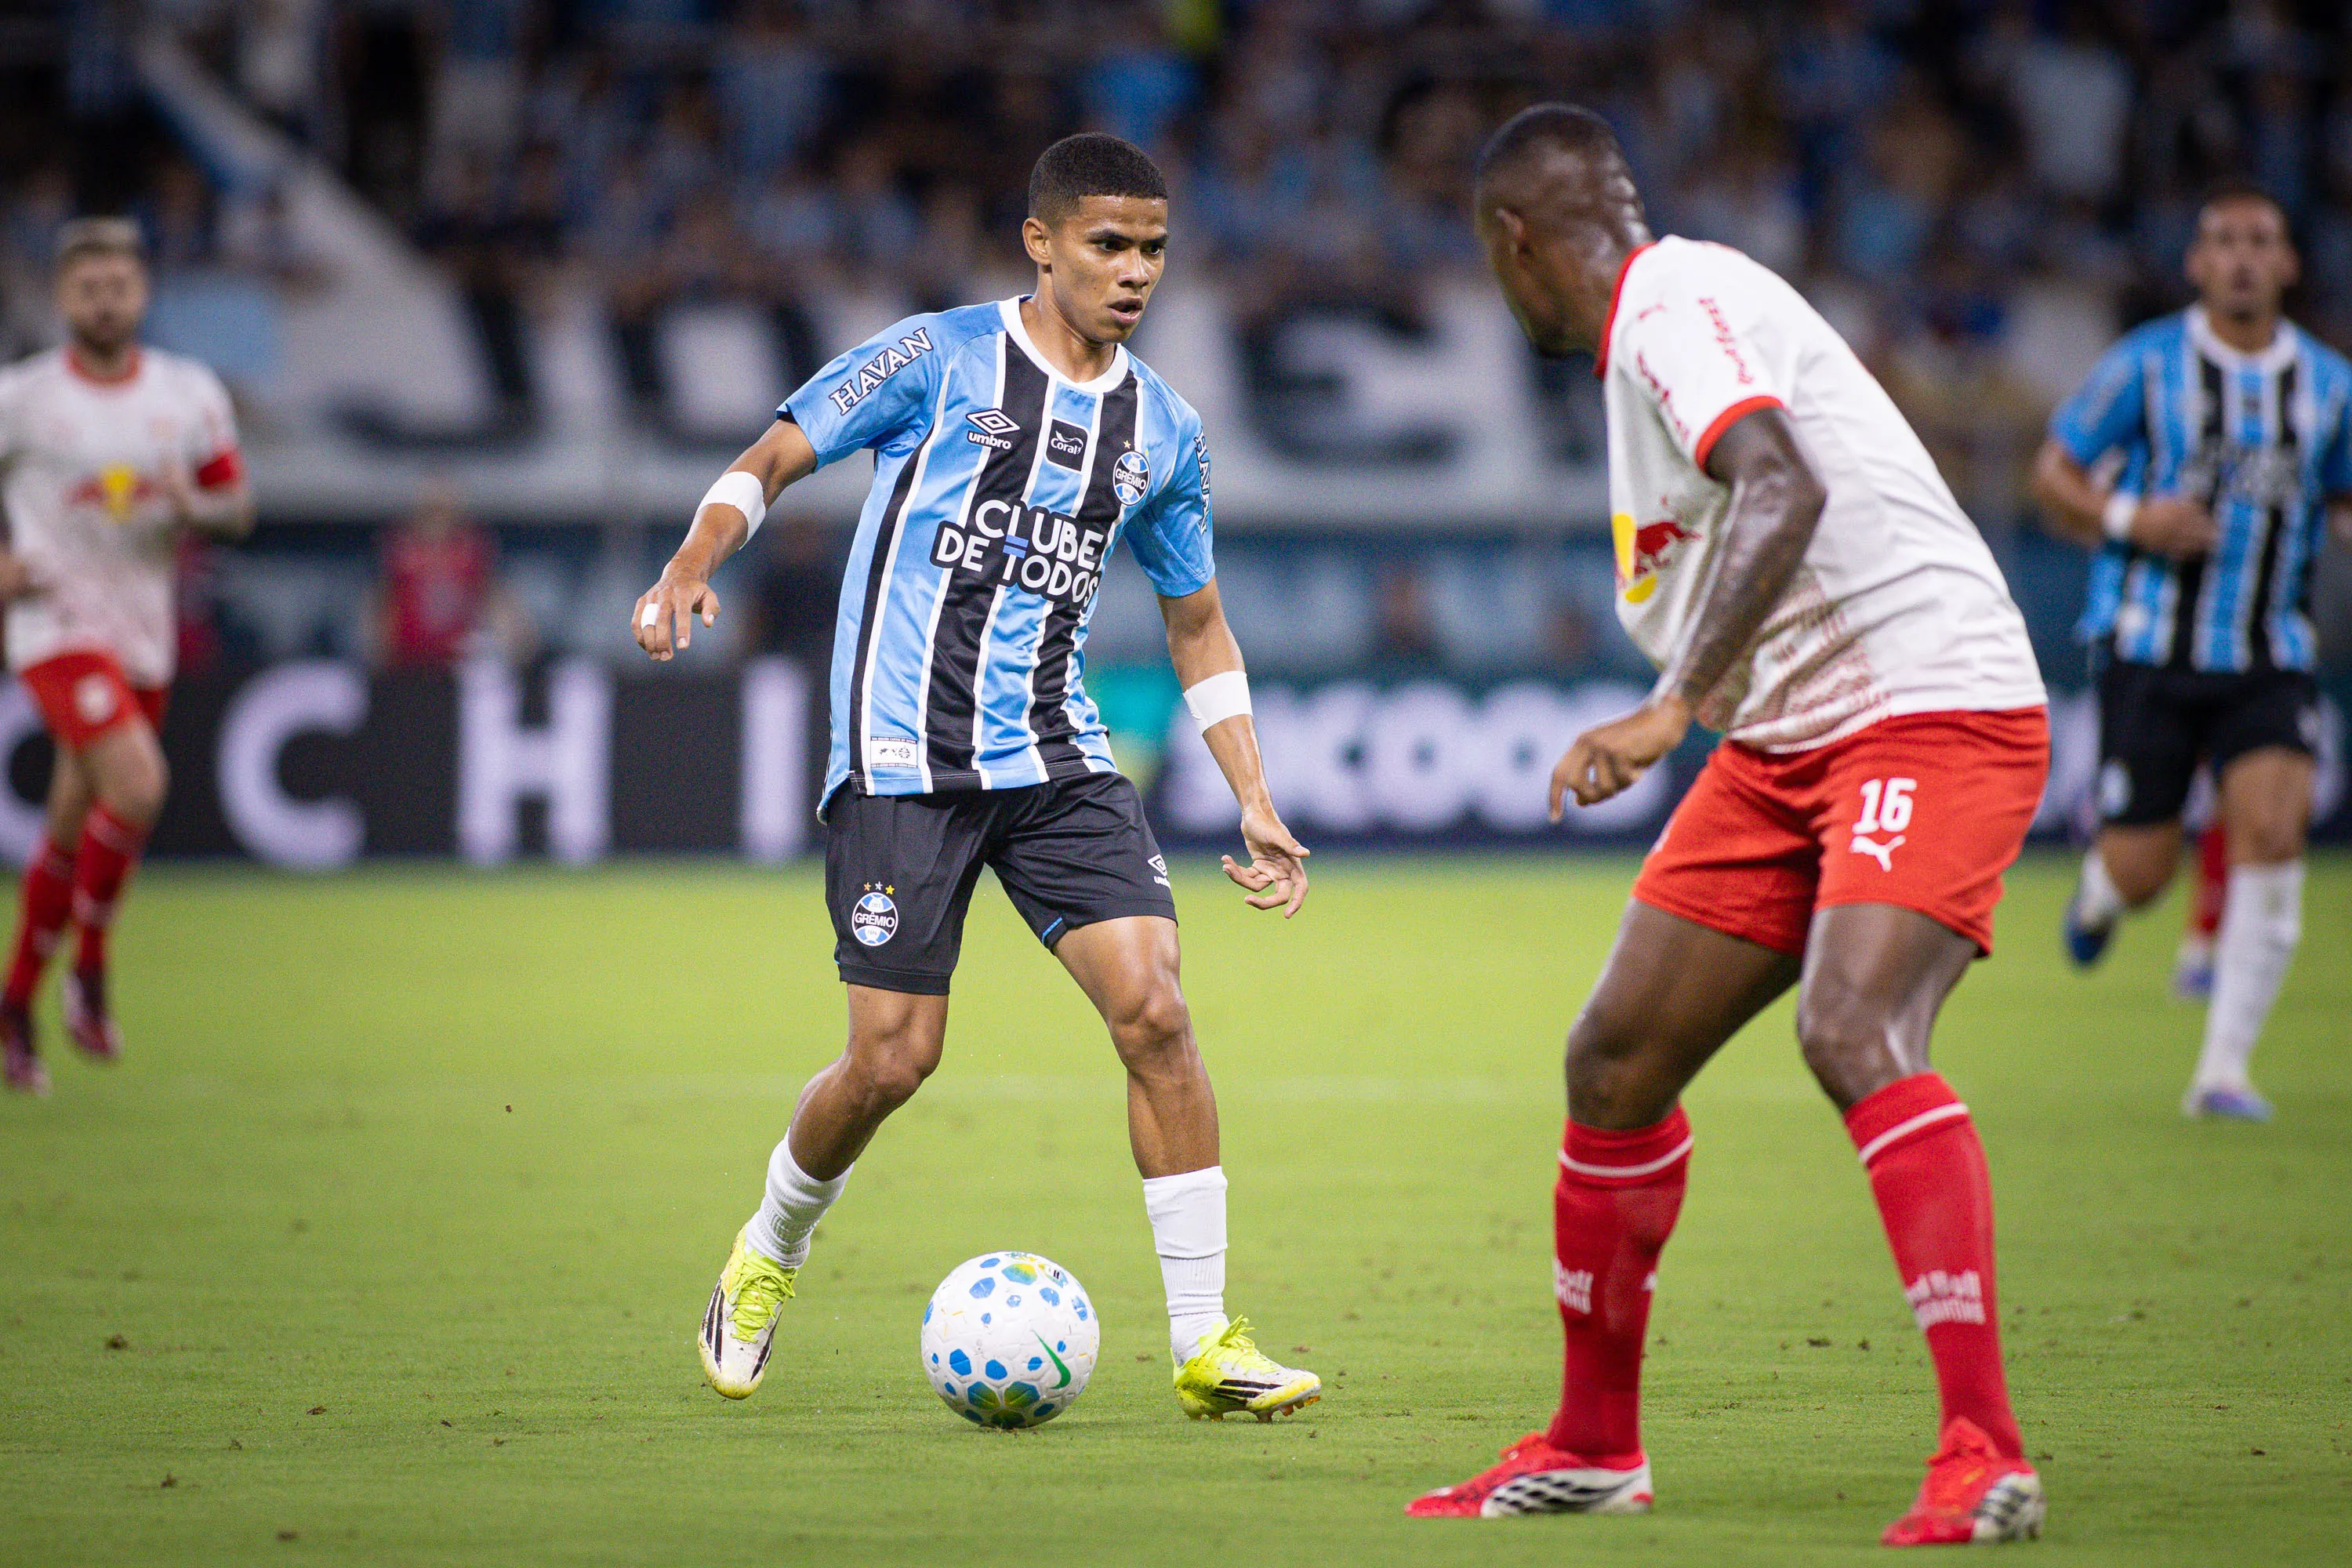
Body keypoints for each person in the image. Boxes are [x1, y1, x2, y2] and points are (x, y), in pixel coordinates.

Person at [1410, 107, 2050, 1546]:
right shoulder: (1665, 324)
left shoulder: (1669, 301)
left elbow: (1781, 477)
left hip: (1927, 704)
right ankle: (1594, 1446)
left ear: (1515, 241)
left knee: (1854, 1027)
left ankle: (1984, 1449)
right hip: (1790, 735)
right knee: (1616, 1060)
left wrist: (1670, 707)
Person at [632, 134, 1323, 1423]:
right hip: (903, 756)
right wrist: (690, 562)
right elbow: (771, 456)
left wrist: (1253, 791)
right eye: (1109, 245)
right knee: (894, 1061)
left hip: (1055, 754)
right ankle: (768, 1251)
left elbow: (1196, 625)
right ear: (1041, 243)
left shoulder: (1163, 430)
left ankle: (1207, 1342)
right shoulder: (935, 359)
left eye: (1154, 249)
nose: (1135, 271)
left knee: (1157, 1014)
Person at [2032, 183, 2352, 1123]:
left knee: (2273, 834)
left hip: (2271, 650)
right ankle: (2101, 890)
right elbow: (2053, 473)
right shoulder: (2146, 365)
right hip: (2151, 645)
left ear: (2288, 263)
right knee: (2144, 872)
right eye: (2225, 241)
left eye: (2261, 240)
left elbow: (2342, 492)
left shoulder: (2330, 386)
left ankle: (2223, 1072)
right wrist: (2131, 516)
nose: (2243, 257)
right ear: (2197, 264)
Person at [0, 218, 252, 1094]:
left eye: (118, 287)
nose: (104, 302)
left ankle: (14, 1007)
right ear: (62, 297)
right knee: (140, 785)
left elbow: (236, 507)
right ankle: (91, 967)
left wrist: (194, 507)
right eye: (88, 289)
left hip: (144, 636)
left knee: (72, 826)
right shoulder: (23, 398)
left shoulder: (186, 393)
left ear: (142, 294)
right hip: (54, 626)